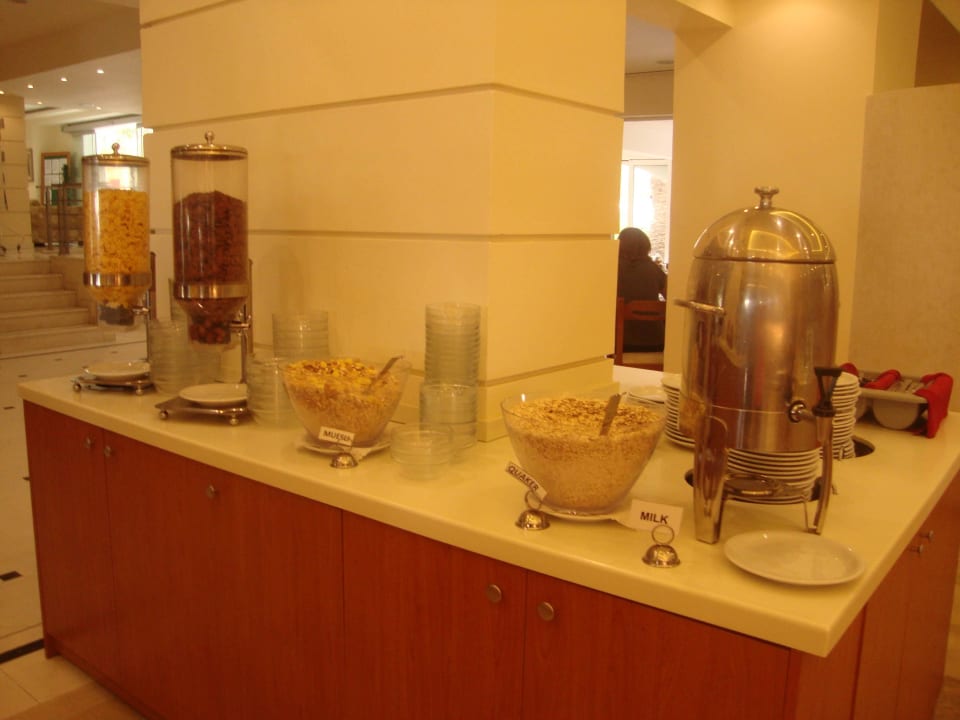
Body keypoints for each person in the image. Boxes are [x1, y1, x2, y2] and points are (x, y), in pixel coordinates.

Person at [616, 227, 667, 351]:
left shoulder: (612, 268)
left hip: (621, 344)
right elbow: (671, 299)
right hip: (656, 343)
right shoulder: (655, 270)